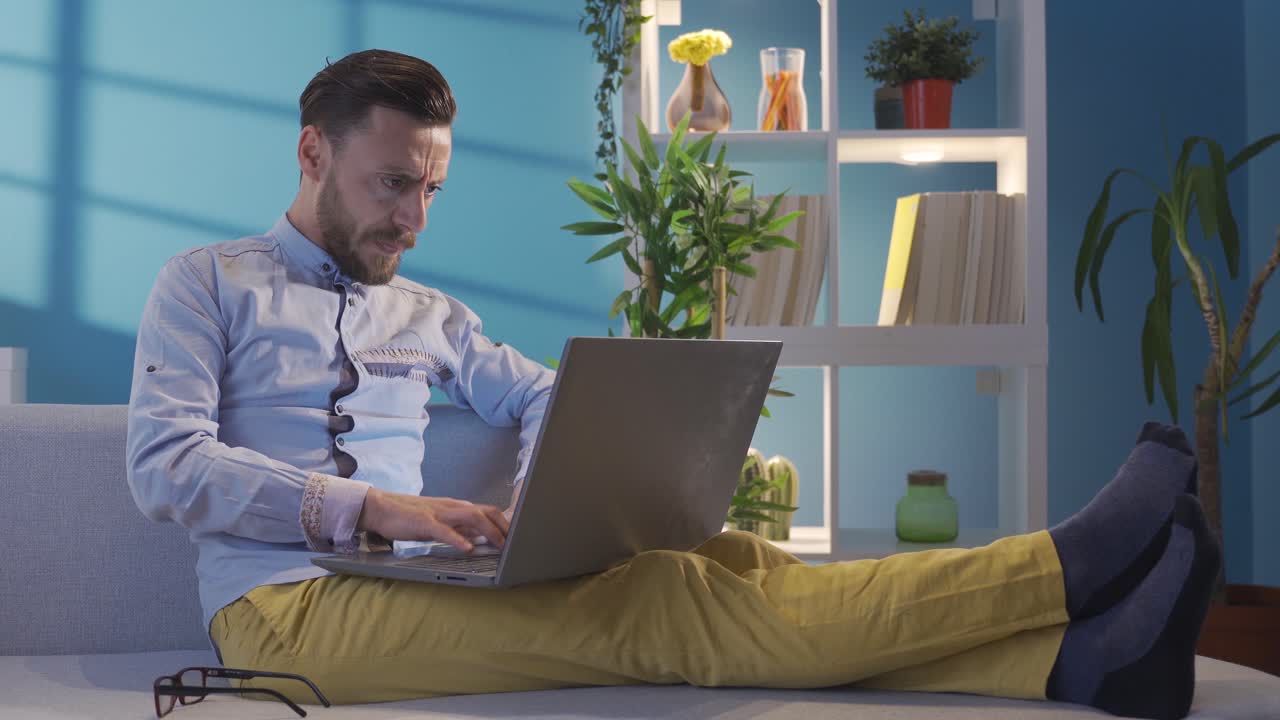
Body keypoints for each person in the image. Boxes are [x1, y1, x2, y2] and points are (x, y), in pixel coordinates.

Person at [126, 49, 1218, 720]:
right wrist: (372, 505)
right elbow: (165, 466)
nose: (413, 218)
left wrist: (564, 492)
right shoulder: (205, 284)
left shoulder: (429, 312)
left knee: (731, 559)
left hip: (418, 585)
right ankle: (1058, 570)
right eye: (391, 186)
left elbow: (543, 395)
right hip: (286, 613)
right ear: (312, 154)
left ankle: (1076, 665)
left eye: (432, 191)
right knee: (664, 603)